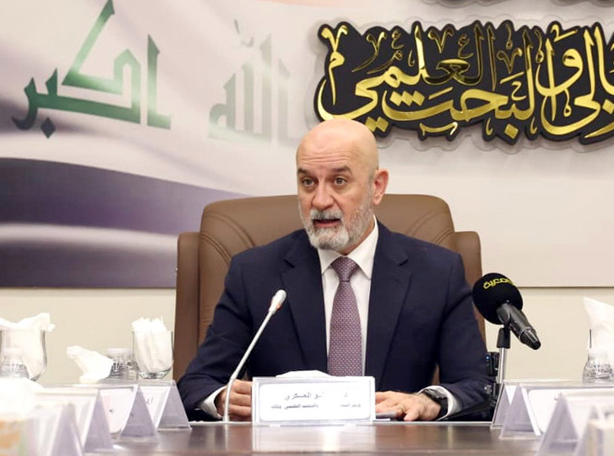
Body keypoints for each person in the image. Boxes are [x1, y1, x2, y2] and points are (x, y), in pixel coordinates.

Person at [178, 118, 490, 421]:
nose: (320, 201)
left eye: (339, 181)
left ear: (377, 186)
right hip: (286, 446)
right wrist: (221, 399)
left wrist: (429, 402)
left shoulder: (437, 273)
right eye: (308, 182)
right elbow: (196, 384)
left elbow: (477, 387)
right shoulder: (255, 273)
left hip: (396, 445)